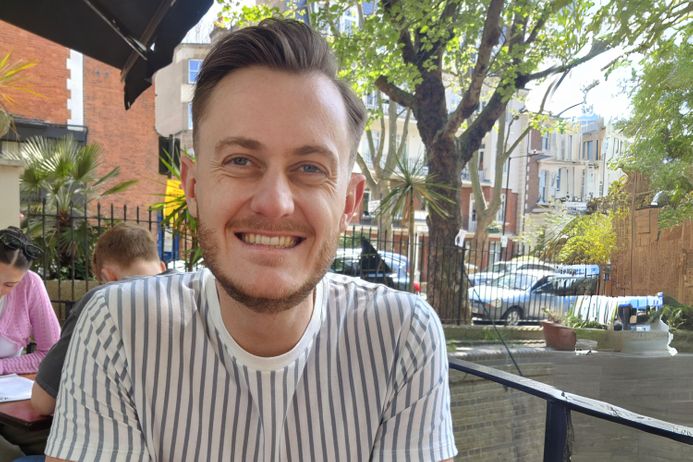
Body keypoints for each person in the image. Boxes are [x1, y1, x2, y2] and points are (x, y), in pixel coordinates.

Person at [46, 18, 457, 461]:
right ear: (194, 186)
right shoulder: (117, 329)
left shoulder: (401, 336)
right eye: (241, 160)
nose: (275, 203)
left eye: (311, 168)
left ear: (349, 201)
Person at [31, 222, 167, 416]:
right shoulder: (198, 293)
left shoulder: (102, 301)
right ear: (162, 266)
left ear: (108, 276)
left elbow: (42, 402)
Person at [0, 226, 60, 375]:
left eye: (9, 285)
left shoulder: (30, 283)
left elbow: (52, 353)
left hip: (8, 389)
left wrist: (2, 367)